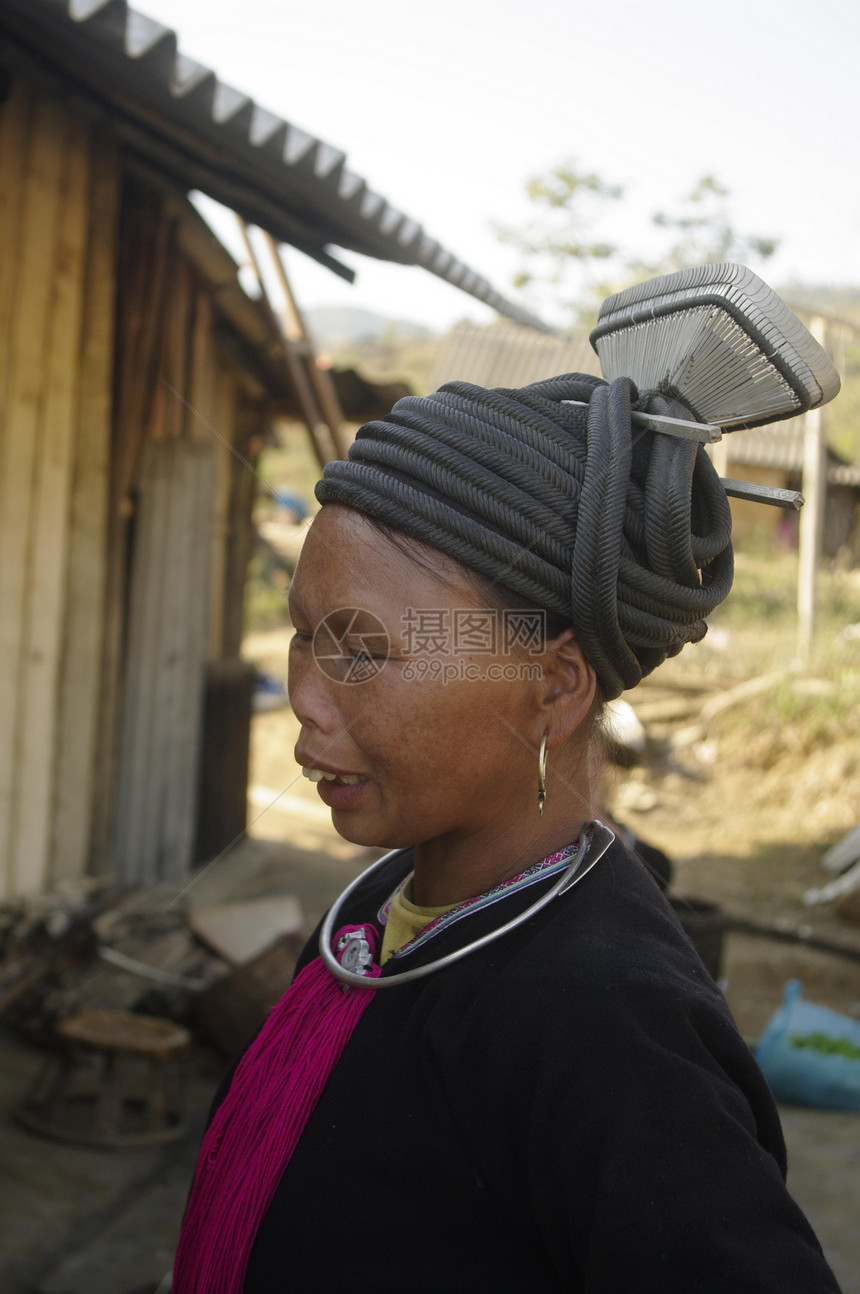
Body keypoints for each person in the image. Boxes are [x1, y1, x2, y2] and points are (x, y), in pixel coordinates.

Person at [173, 268, 842, 1293]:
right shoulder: (376, 918)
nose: (307, 695)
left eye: (361, 651)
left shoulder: (611, 1034)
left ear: (551, 684)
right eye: (304, 636)